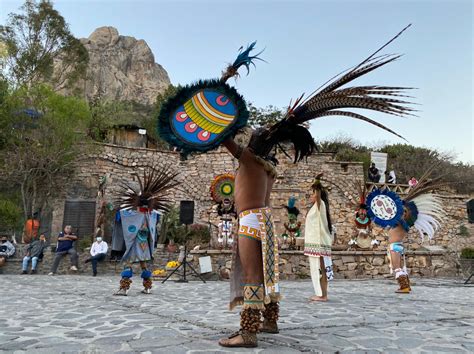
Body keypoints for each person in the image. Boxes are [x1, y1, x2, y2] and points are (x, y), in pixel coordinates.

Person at [218, 131, 281, 348]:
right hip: (266, 220)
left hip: (251, 220)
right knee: (266, 275)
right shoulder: (269, 170)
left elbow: (225, 140)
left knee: (252, 276)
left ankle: (248, 333)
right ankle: (270, 321)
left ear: (254, 144)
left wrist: (219, 123)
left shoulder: (249, 159)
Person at [304, 176, 335, 302]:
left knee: (320, 269)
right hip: (319, 243)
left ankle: (323, 295)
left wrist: (316, 182)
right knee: (320, 269)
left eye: (313, 194)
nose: (311, 196)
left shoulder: (320, 205)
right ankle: (322, 294)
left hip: (319, 243)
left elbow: (317, 194)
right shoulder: (317, 208)